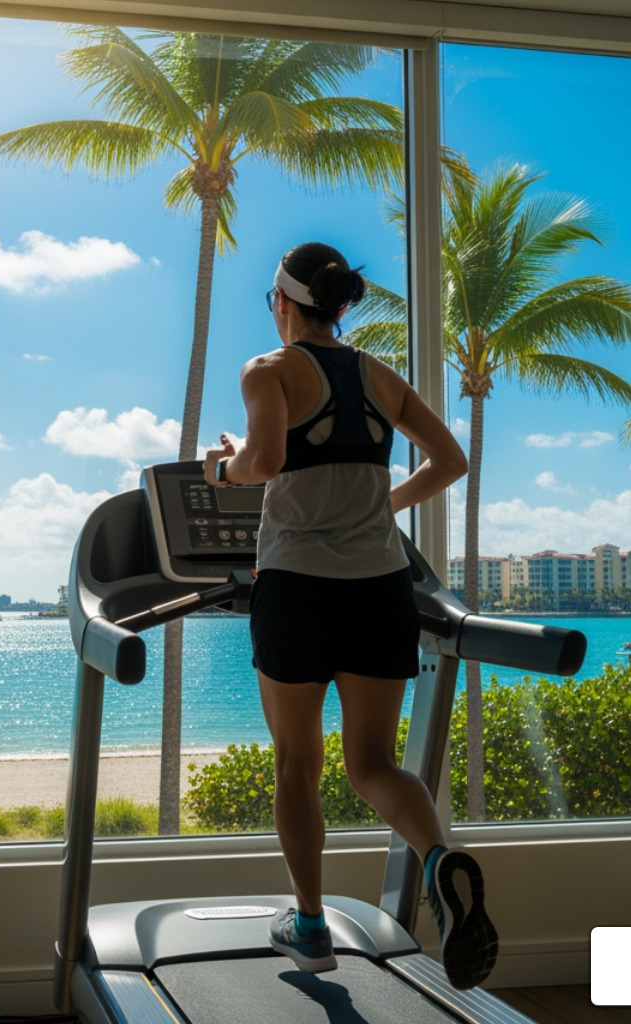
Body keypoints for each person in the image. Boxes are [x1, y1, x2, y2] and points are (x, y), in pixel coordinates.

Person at [202, 241, 495, 990]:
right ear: (336, 304)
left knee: (299, 767)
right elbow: (450, 460)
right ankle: (439, 858)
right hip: (380, 588)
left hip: (297, 588)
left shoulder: (268, 371)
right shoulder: (381, 376)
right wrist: (380, 505)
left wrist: (222, 466)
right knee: (373, 764)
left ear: (284, 303)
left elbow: (264, 463)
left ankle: (308, 928)